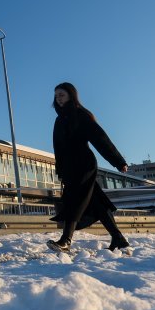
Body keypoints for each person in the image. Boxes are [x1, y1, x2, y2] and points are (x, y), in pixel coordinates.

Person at [47, 82, 131, 253]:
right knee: (97, 203)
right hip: (70, 168)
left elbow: (101, 139)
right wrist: (61, 171)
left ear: (71, 95)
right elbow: (58, 149)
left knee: (73, 200)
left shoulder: (81, 115)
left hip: (84, 164)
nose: (58, 98)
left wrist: (118, 161)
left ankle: (66, 240)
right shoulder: (59, 119)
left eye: (61, 94)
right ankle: (118, 238)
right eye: (56, 95)